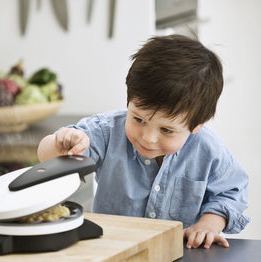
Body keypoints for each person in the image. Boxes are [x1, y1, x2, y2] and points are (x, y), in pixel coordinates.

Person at [37, 34, 249, 249]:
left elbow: (231, 192)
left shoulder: (209, 150)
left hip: (180, 251)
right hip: (112, 250)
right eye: (138, 119)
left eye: (166, 130)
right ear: (128, 101)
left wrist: (208, 225)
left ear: (197, 125)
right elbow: (46, 158)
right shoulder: (106, 131)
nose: (148, 137)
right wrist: (59, 144)